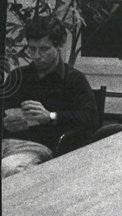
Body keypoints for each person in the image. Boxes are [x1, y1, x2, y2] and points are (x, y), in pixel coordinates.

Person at [2, 16, 99, 177]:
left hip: (37, 147)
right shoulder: (17, 76)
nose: (36, 55)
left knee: (10, 169)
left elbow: (91, 118)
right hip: (6, 142)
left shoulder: (73, 79)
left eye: (44, 49)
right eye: (32, 49)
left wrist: (50, 116)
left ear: (59, 46)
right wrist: (6, 123)